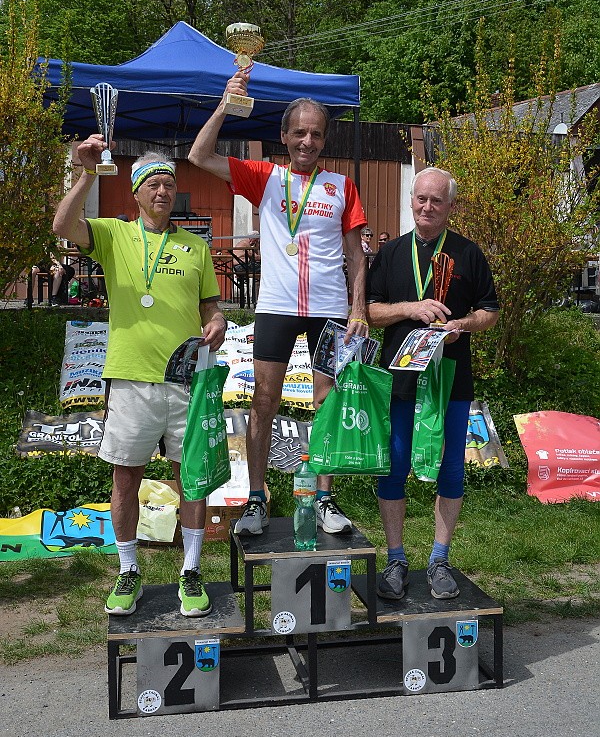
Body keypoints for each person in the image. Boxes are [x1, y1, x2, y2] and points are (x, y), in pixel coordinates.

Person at [188, 71, 369, 537]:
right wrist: (226, 104)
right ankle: (256, 499)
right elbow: (199, 155)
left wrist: (358, 309)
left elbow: (356, 255)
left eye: (316, 134)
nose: (308, 141)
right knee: (264, 401)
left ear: (324, 139)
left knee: (327, 400)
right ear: (284, 136)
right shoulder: (265, 176)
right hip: (276, 306)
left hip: (329, 307)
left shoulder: (342, 185)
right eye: (300, 132)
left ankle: (324, 498)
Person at [53, 139, 227, 617]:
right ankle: (128, 570)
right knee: (126, 477)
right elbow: (62, 226)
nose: (163, 190)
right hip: (131, 379)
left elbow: (211, 308)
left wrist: (216, 321)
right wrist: (86, 174)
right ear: (136, 192)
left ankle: (191, 570)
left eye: (169, 183)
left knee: (191, 479)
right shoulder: (114, 235)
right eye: (153, 184)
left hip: (186, 381)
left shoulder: (196, 246)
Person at [366, 167, 499, 600]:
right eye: (421, 198)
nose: (427, 207)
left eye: (436, 200)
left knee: (451, 468)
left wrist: (461, 324)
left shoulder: (468, 253)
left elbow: (490, 312)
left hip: (451, 379)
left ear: (450, 206)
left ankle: (439, 560)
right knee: (394, 465)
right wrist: (411, 308)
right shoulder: (391, 253)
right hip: (400, 378)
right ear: (411, 200)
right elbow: (370, 312)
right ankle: (396, 559)